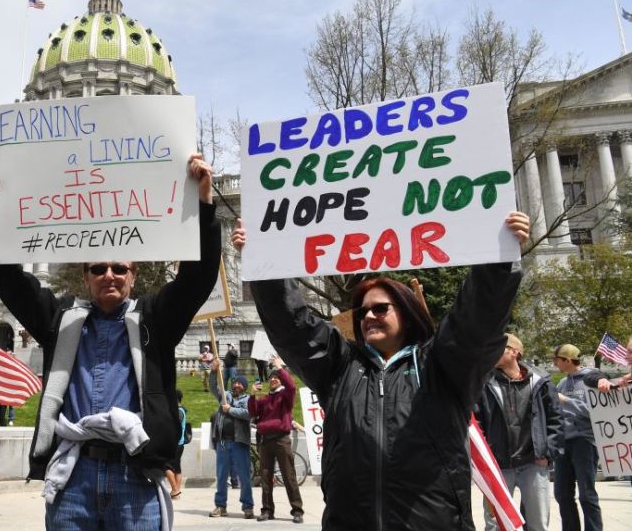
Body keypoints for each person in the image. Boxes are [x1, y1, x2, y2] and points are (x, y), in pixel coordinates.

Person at [232, 211, 530, 530]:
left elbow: (476, 320)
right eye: (362, 311)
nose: (369, 316)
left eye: (380, 308)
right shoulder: (340, 368)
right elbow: (292, 326)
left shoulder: (442, 366)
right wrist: (262, 263)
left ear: (407, 312)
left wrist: (499, 258)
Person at [0, 152, 220, 530]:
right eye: (98, 269)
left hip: (134, 477)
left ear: (133, 276)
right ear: (85, 277)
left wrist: (203, 203)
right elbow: (15, 288)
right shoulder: (61, 320)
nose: (110, 275)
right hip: (74, 478)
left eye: (119, 268)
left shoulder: (156, 321)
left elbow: (196, 280)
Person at [476, 334, 562, 531]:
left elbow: (556, 420)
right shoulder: (484, 383)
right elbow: (477, 421)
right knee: (495, 524)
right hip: (499, 466)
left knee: (538, 524)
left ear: (515, 352)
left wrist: (547, 453)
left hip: (533, 463)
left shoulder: (541, 382)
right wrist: (487, 457)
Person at [551, 343, 603, 531]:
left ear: (567, 360)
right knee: (562, 494)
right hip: (564, 442)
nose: (555, 363)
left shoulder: (591, 380)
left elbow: (594, 411)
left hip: (585, 441)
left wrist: (566, 401)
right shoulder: (562, 383)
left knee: (586, 495)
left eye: (557, 360)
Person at [248, 355, 303, 523]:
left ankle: (297, 510)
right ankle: (267, 510)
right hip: (265, 441)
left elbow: (292, 386)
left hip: (281, 440)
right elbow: (252, 413)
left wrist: (280, 368)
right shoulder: (264, 399)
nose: (272, 380)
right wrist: (252, 396)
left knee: (289, 476)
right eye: (271, 378)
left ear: (280, 381)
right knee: (265, 477)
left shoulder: (285, 396)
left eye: (276, 378)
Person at [208, 373, 255, 520]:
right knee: (221, 475)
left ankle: (247, 507)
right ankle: (221, 506)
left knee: (244, 476)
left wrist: (230, 410)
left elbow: (249, 414)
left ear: (244, 387)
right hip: (222, 441)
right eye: (235, 383)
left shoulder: (248, 399)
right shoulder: (225, 394)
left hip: (239, 442)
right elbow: (213, 386)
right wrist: (214, 371)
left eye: (240, 384)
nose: (236, 385)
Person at [164, 389, 187, 499]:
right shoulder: (181, 410)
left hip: (174, 444)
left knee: (166, 466)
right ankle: (176, 492)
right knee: (177, 468)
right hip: (180, 444)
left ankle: (175, 490)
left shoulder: (177, 412)